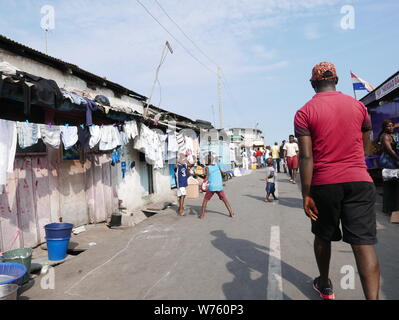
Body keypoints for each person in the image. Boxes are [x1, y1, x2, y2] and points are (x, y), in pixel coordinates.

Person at [295, 61, 380, 300]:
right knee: (363, 245)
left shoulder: (304, 112)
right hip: (359, 181)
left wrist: (306, 194)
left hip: (325, 184)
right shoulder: (358, 107)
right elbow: (366, 145)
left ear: (313, 84)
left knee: (323, 236)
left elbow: (306, 156)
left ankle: (325, 285)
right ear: (337, 81)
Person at [200, 154, 234, 219]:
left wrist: (203, 184)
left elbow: (206, 177)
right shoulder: (217, 165)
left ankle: (202, 215)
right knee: (225, 200)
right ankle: (231, 213)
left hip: (212, 187)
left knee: (205, 200)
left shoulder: (207, 168)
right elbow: (222, 173)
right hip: (219, 186)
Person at [376, 120, 399, 214]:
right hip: (388, 161)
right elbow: (390, 151)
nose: (391, 128)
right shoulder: (385, 136)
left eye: (392, 126)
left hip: (390, 160)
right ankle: (389, 209)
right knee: (390, 184)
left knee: (391, 185)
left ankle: (390, 208)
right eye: (388, 126)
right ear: (384, 127)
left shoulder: (390, 135)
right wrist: (398, 159)